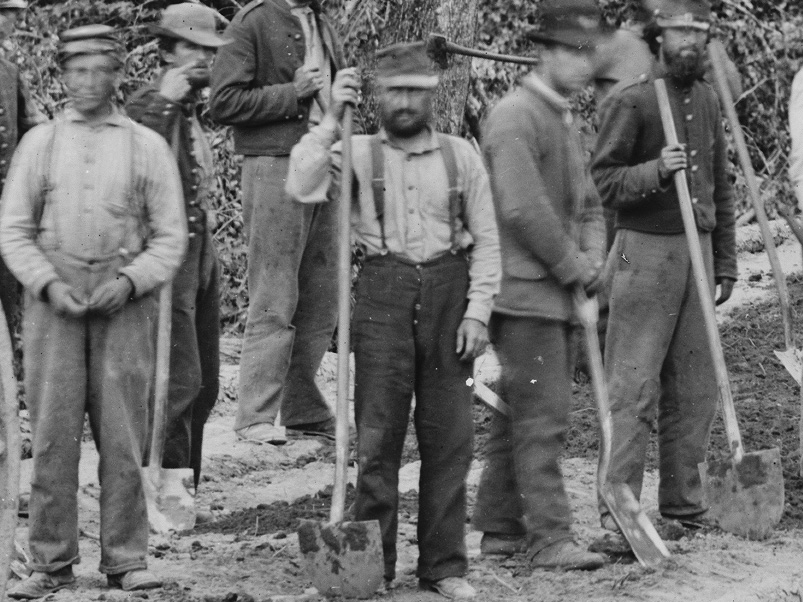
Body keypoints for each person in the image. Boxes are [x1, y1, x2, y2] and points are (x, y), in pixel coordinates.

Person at [286, 43, 501, 600]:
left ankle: (444, 567)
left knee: (449, 439)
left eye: (415, 92)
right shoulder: (356, 151)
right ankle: (371, 566)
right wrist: (330, 118)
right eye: (394, 91)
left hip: (451, 295)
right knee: (378, 437)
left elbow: (488, 241)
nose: (404, 102)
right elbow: (301, 184)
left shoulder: (460, 156)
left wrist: (478, 312)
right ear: (377, 96)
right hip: (383, 291)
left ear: (432, 95)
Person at [1, 25, 186, 599]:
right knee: (53, 435)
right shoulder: (41, 144)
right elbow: (13, 231)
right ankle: (50, 563)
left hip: (122, 306)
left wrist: (131, 282)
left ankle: (126, 559)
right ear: (62, 76)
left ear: (117, 75)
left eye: (99, 69)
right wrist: (47, 284)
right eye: (76, 70)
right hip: (53, 307)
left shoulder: (144, 146)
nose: (87, 81)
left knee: (123, 434)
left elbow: (170, 237)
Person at [471, 0, 608, 571]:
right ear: (545, 52)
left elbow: (589, 204)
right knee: (545, 417)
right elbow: (523, 209)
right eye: (573, 52)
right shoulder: (514, 117)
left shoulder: (562, 117)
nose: (584, 65)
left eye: (589, 53)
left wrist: (593, 260)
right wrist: (575, 267)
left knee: (520, 413)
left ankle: (501, 528)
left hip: (555, 291)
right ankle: (550, 539)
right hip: (523, 294)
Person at [591, 0, 737, 531]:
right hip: (643, 253)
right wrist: (655, 170)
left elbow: (720, 185)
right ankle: (619, 510)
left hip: (698, 254)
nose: (689, 43)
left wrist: (726, 260)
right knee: (633, 385)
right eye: (679, 34)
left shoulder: (708, 99)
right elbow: (604, 182)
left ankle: (684, 506)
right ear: (659, 39)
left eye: (698, 33)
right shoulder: (632, 101)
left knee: (695, 388)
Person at [209, 0, 345, 445]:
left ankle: (303, 409)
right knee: (274, 291)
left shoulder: (322, 22)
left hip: (326, 164)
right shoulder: (252, 22)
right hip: (274, 165)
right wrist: (292, 93)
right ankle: (255, 415)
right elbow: (223, 102)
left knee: (321, 296)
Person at [126, 2, 228, 507]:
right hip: (167, 254)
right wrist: (164, 104)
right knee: (176, 378)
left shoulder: (190, 107)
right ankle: (163, 499)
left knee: (205, 381)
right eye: (192, 47)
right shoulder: (147, 106)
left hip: (200, 248)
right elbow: (132, 163)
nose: (204, 58)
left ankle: (186, 491)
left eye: (210, 50)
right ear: (167, 51)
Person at [0, 0, 45, 354]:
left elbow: (33, 128)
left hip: (5, 206)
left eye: (12, 15)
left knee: (6, 290)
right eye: (4, 13)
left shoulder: (8, 72)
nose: (9, 22)